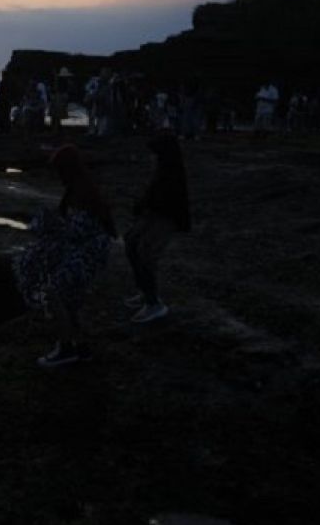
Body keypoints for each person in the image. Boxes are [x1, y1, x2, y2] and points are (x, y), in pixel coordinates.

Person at [14, 145, 117, 368]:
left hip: (88, 253)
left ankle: (66, 347)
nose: (57, 175)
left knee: (56, 292)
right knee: (70, 299)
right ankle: (79, 346)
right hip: (86, 250)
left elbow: (79, 231)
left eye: (59, 170)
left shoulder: (82, 192)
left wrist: (51, 226)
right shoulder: (78, 185)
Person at [125, 134, 191, 323]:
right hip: (155, 216)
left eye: (154, 154)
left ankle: (153, 303)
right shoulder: (165, 170)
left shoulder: (170, 174)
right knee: (131, 244)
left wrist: (144, 208)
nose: (150, 158)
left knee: (144, 254)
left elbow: (163, 202)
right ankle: (146, 293)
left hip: (164, 218)